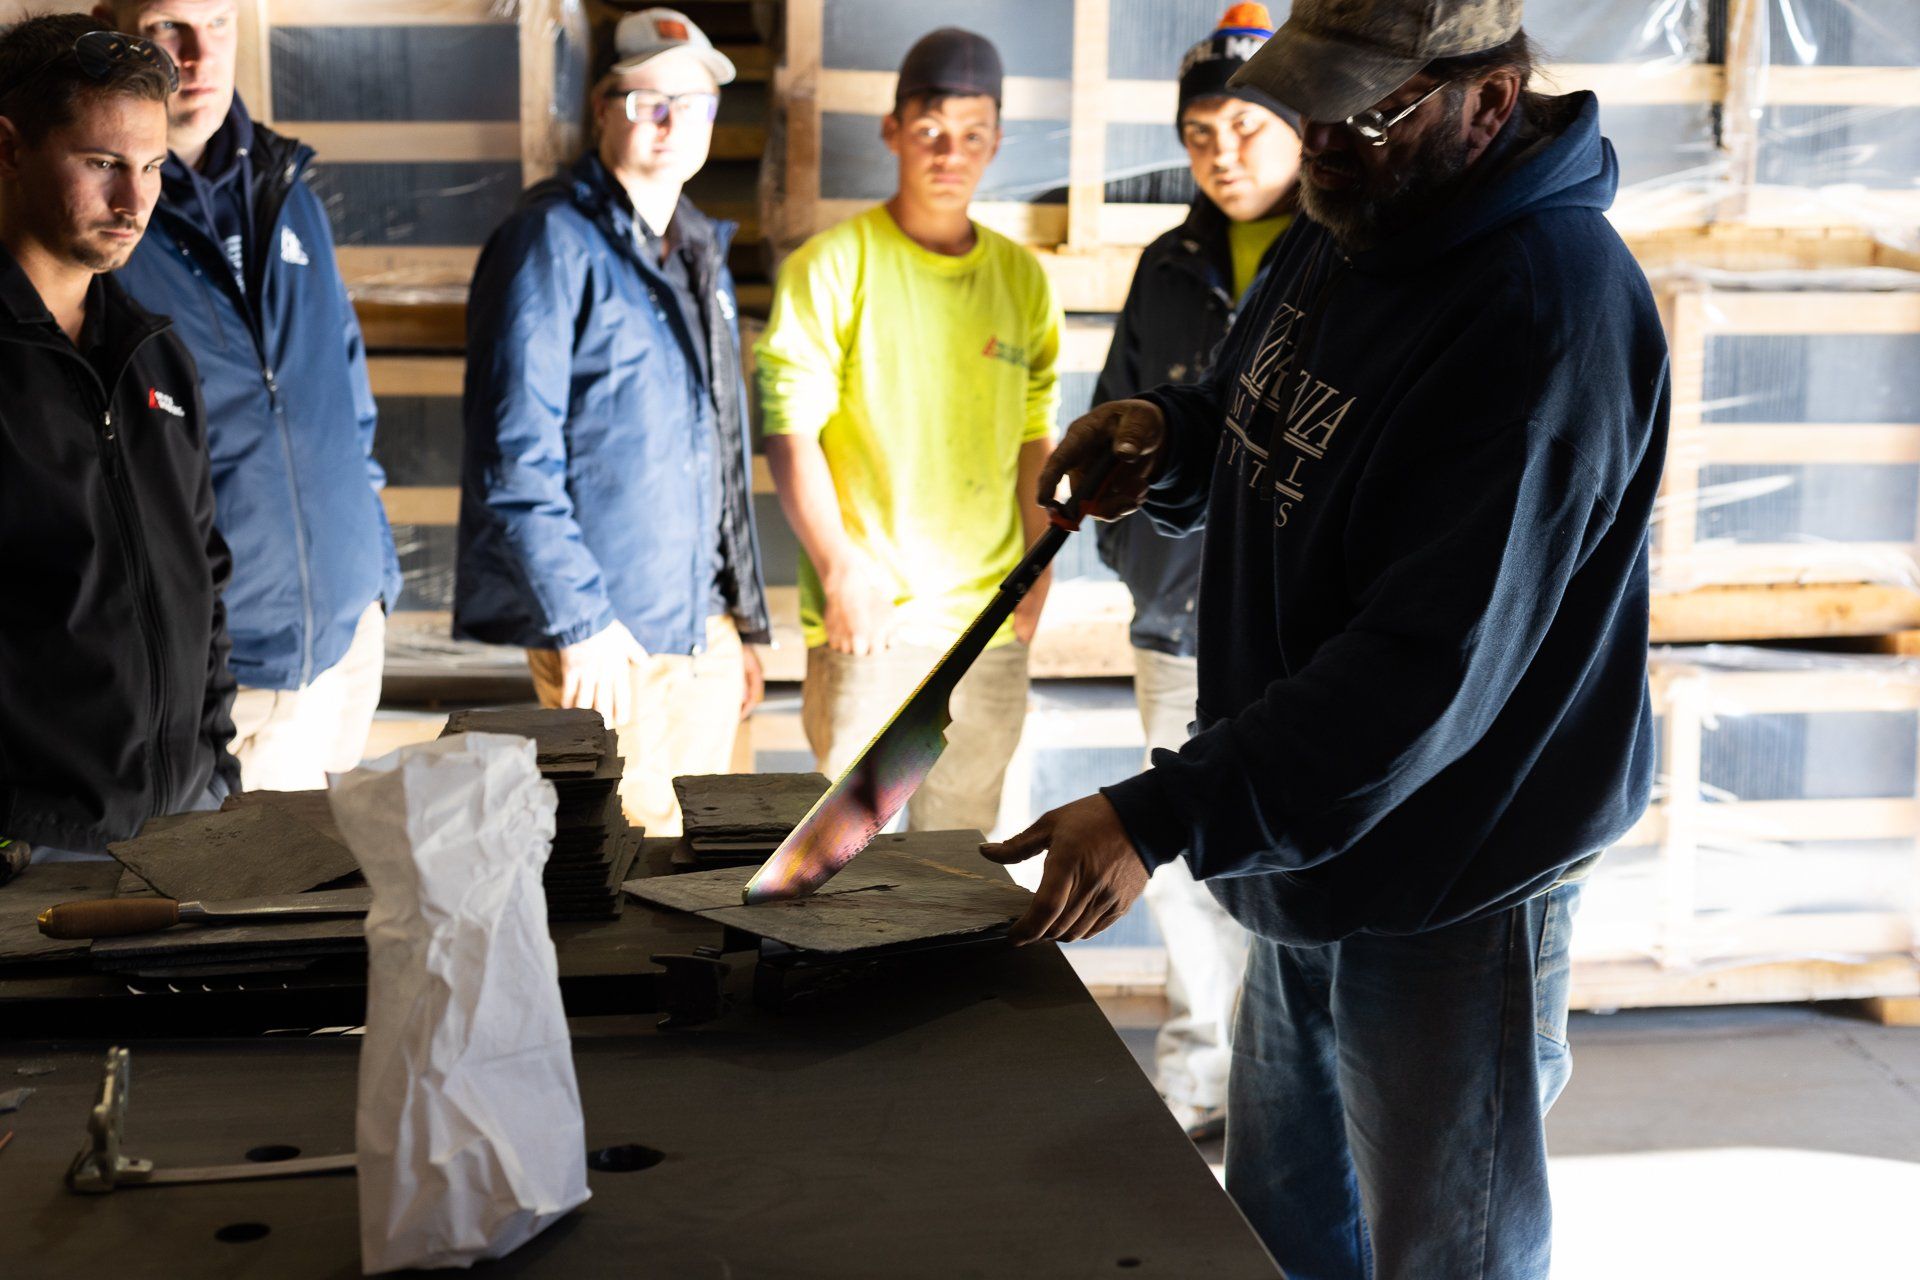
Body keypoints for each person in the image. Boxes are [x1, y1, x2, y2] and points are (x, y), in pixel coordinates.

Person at [985, 1, 1670, 1275]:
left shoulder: (1545, 314)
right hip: (1316, 845)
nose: (1327, 142)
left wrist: (1159, 813)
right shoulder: (1353, 217)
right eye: (1316, 105)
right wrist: (1173, 441)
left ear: (1491, 98)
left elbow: (1424, 671)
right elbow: (1270, 404)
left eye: (1367, 112)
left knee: (1439, 1249)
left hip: (1451, 879)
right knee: (1283, 1229)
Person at [456, 8, 770, 837]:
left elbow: (719, 455)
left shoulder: (698, 248)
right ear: (603, 109)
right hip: (612, 640)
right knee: (623, 887)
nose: (672, 124)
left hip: (700, 632)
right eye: (646, 102)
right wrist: (581, 621)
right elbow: (511, 456)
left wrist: (742, 621)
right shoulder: (549, 242)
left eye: (694, 104)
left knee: (708, 873)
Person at [757, 28, 1062, 835]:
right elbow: (789, 429)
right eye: (928, 130)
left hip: (985, 627)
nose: (947, 152)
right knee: (840, 865)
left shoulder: (1022, 280)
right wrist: (840, 571)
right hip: (870, 622)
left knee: (960, 865)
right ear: (893, 131)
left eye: (970, 135)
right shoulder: (831, 267)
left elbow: (1036, 432)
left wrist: (1040, 566)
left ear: (996, 142)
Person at [1093, 2, 1302, 1143]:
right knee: (1177, 859)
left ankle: (1285, 1084)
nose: (1225, 154)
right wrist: (1142, 566)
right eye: (1201, 134)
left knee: (1288, 859)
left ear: (1302, 124)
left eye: (1248, 128)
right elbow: (1118, 416)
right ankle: (1200, 1072)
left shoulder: (1341, 265)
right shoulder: (1167, 266)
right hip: (1177, 627)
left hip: (1295, 634)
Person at [104, 0, 401, 792]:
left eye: (218, 22)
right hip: (229, 673)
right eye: (170, 27)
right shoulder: (107, 221)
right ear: (113, 26)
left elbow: (347, 400)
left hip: (345, 649)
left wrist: (374, 580)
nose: (199, 55)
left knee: (343, 905)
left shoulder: (288, 186)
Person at [0, 15, 239, 859]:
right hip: (34, 849)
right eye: (102, 164)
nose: (134, 202)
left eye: (151, 167)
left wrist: (219, 772)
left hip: (185, 826)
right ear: (9, 149)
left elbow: (203, 573)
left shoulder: (155, 352)